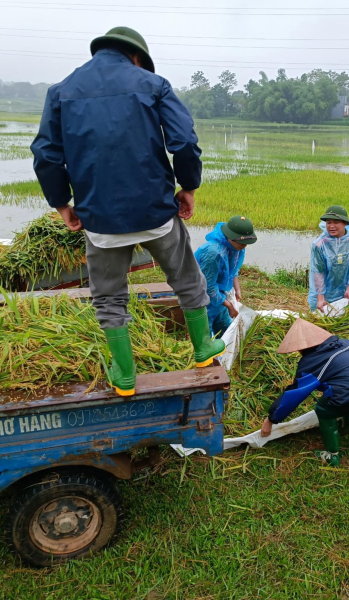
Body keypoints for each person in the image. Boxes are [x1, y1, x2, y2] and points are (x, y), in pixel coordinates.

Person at [31, 26, 225, 396]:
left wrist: (62, 205)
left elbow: (45, 154)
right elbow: (184, 140)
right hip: (155, 214)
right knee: (186, 277)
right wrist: (189, 187)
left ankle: (123, 376)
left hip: (99, 220)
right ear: (136, 56)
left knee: (108, 296)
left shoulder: (61, 92)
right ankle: (202, 349)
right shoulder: (154, 85)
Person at [261, 319, 349, 466]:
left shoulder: (313, 362)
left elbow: (294, 394)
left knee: (324, 409)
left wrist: (271, 419)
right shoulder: (346, 343)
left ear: (301, 349)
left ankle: (332, 455)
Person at [194, 215, 257, 337]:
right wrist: (229, 306)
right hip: (200, 295)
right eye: (242, 243)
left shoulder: (236, 247)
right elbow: (208, 286)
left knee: (227, 331)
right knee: (205, 334)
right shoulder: (214, 253)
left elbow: (232, 270)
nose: (244, 246)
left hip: (219, 295)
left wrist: (237, 289)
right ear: (231, 238)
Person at [308, 205, 349, 312]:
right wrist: (320, 298)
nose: (331, 226)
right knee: (321, 321)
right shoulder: (319, 244)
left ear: (345, 223)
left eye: (336, 222)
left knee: (347, 320)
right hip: (326, 293)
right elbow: (318, 271)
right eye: (328, 222)